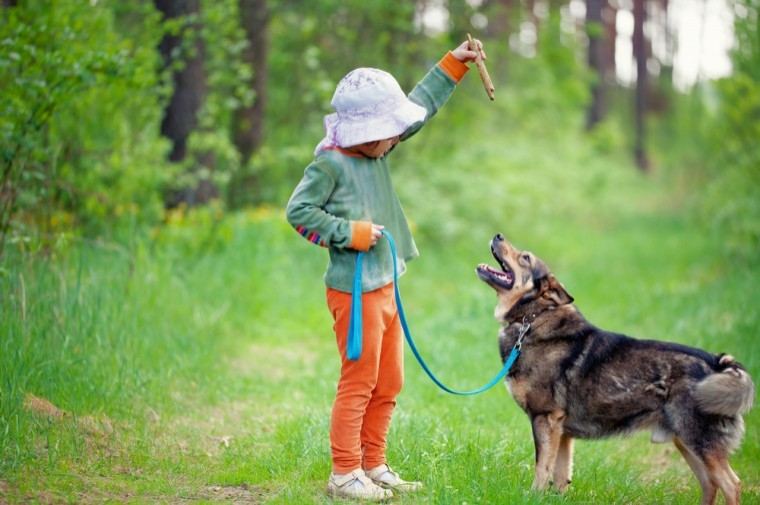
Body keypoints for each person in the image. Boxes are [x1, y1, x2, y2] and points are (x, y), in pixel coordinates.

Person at [285, 38, 486, 501]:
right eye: (390, 130)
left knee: (389, 380)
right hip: (353, 294)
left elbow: (420, 106)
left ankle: (373, 463)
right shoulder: (330, 165)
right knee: (359, 380)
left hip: (387, 286)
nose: (397, 136)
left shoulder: (378, 150)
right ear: (365, 133)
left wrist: (454, 64)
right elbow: (299, 213)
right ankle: (344, 472)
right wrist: (348, 233)